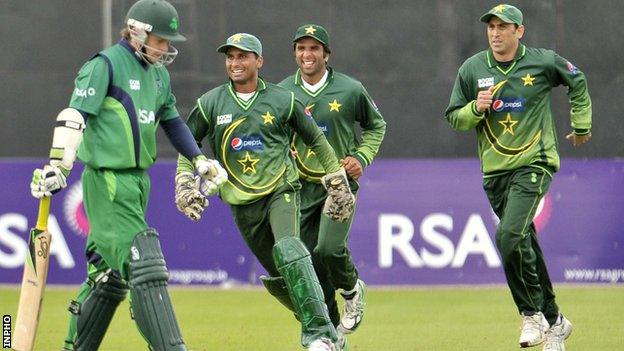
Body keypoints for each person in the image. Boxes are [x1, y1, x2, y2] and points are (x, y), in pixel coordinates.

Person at [29, 1, 226, 350]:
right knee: (144, 261)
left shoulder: (159, 75)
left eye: (168, 41)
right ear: (137, 31)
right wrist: (59, 166)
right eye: (161, 40)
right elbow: (75, 115)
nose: (166, 48)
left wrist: (198, 159)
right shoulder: (104, 65)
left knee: (106, 278)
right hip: (108, 181)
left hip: (138, 183)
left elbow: (172, 121)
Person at [174, 33, 355, 351]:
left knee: (290, 251)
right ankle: (327, 330)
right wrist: (184, 182)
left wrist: (336, 181)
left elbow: (315, 139)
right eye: (230, 57)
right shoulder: (211, 103)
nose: (235, 63)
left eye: (243, 56)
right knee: (281, 277)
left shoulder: (282, 99)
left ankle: (318, 337)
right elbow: (187, 143)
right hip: (241, 202)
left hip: (281, 191)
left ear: (259, 61)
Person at [445, 4, 591, 351]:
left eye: (503, 27)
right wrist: (474, 109)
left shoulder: (541, 62)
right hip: (494, 172)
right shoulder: (472, 68)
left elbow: (577, 79)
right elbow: (455, 118)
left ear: (519, 31)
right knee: (524, 242)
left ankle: (531, 314)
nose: (495, 33)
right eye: (491, 27)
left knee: (508, 236)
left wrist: (581, 124)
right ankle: (556, 322)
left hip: (534, 164)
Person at [278, 24, 387, 340]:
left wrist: (362, 158)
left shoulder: (350, 89)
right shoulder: (282, 92)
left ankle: (352, 291)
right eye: (301, 48)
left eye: (313, 48)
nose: (307, 54)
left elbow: (376, 126)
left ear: (326, 54)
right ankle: (329, 332)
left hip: (339, 185)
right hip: (300, 187)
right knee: (309, 262)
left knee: (328, 248)